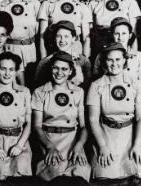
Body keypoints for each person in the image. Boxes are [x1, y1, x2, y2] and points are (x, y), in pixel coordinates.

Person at [87, 42, 141, 181]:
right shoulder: (96, 85)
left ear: (124, 60)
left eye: (118, 59)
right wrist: (102, 147)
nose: (114, 64)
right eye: (110, 60)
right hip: (106, 133)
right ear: (104, 62)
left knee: (140, 174)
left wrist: (137, 144)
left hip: (130, 133)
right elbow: (93, 120)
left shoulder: (136, 84)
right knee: (103, 176)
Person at [32, 51, 91, 182]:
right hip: (50, 140)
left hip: (72, 140)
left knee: (80, 172)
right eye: (56, 68)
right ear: (51, 68)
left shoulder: (78, 92)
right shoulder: (40, 92)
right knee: (54, 174)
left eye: (64, 69)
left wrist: (79, 145)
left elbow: (83, 126)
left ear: (70, 71)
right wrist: (49, 146)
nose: (59, 72)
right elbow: (36, 126)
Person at [0, 52, 32, 181]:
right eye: (3, 69)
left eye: (11, 69)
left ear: (16, 72)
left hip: (18, 140)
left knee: (21, 170)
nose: (7, 73)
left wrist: (20, 145)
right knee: (0, 173)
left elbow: (29, 123)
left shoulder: (24, 92)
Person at [35, 20, 91, 89]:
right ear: (54, 38)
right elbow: (39, 87)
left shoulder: (83, 61)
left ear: (73, 39)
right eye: (58, 36)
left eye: (66, 36)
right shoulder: (45, 62)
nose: (62, 40)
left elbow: (88, 86)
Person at [93, 17, 141, 85]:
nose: (120, 37)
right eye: (117, 34)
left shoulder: (139, 57)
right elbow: (97, 79)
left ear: (130, 35)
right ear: (112, 35)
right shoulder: (101, 55)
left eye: (124, 33)